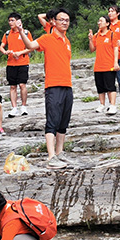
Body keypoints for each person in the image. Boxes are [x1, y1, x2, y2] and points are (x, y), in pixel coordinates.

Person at [17, 9, 74, 169]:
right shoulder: (47, 38)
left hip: (67, 85)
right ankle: (51, 157)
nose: (64, 22)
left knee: (63, 122)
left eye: (67, 20)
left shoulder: (67, 41)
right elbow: (30, 45)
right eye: (61, 19)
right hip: (53, 86)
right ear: (53, 22)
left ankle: (60, 152)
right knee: (52, 122)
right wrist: (21, 32)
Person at [0, 12, 32, 118]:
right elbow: (1, 46)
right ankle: (14, 108)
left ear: (18, 21)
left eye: (12, 20)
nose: (10, 22)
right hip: (11, 63)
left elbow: (31, 47)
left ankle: (23, 106)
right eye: (9, 20)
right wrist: (5, 52)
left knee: (22, 85)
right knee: (12, 86)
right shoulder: (7, 34)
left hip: (23, 62)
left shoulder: (26, 33)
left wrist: (20, 53)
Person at [89, 16, 119, 115]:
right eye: (98, 21)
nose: (99, 22)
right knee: (100, 87)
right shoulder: (96, 36)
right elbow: (92, 49)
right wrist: (90, 39)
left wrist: (115, 62)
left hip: (108, 65)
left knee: (110, 86)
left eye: (101, 21)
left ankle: (113, 105)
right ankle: (102, 104)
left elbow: (115, 49)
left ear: (107, 23)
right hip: (98, 66)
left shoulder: (112, 35)